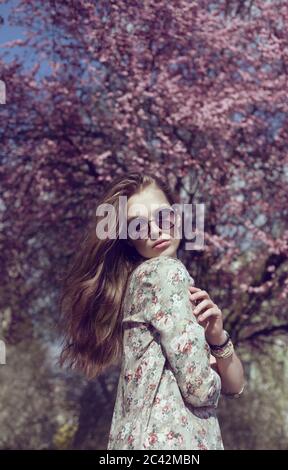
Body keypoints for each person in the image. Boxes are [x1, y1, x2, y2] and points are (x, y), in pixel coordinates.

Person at [58, 172, 245, 450]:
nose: (155, 231)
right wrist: (209, 371)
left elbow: (234, 385)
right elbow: (201, 388)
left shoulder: (140, 282)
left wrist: (217, 338)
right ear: (130, 239)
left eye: (163, 217)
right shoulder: (165, 273)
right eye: (138, 226)